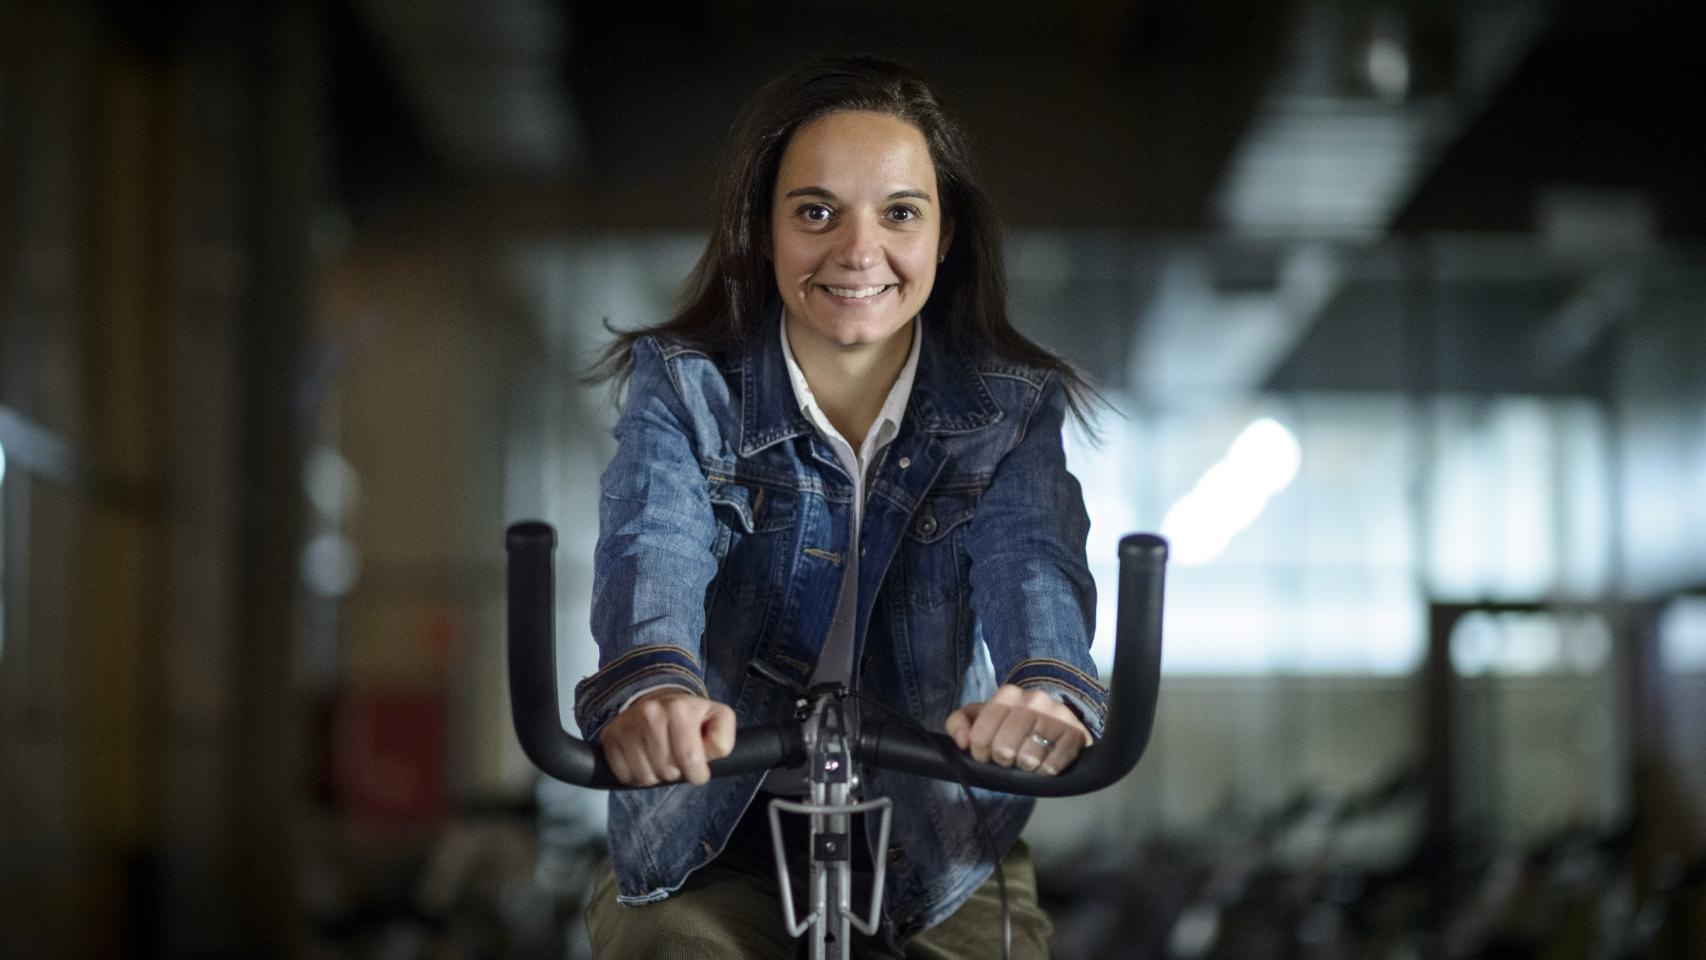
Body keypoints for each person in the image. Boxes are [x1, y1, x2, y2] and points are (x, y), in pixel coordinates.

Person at [574, 54, 1108, 959]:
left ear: (944, 235)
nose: (859, 253)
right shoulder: (686, 389)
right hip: (711, 833)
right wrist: (654, 684)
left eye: (900, 213)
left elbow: (1032, 563)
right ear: (763, 231)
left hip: (935, 840)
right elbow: (652, 543)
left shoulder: (1011, 414)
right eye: (816, 212)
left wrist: (1048, 687)